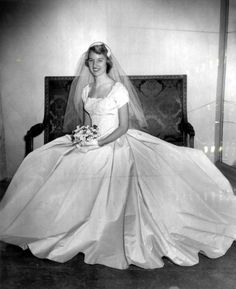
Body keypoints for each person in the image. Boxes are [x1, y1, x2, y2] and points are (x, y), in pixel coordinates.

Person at [0, 42, 236, 270]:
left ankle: (96, 229)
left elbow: (123, 127)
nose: (95, 65)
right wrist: (84, 138)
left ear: (107, 62)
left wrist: (99, 143)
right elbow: (87, 122)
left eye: (99, 61)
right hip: (92, 140)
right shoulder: (86, 90)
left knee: (101, 169)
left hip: (116, 143)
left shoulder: (118, 89)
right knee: (46, 160)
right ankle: (55, 225)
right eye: (91, 61)